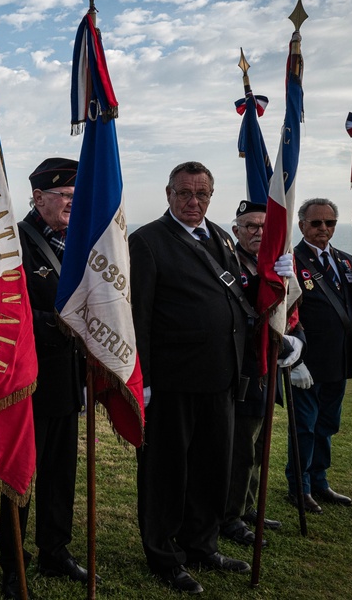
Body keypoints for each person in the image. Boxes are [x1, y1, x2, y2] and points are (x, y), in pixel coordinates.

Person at [129, 162, 253, 594]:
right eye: (184, 193)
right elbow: (138, 315)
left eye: (201, 194)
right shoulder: (146, 242)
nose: (193, 202)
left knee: (210, 467)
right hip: (170, 381)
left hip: (220, 376)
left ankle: (202, 544)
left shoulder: (219, 235)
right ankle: (164, 554)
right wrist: (140, 378)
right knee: (166, 473)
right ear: (167, 194)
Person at [0, 158, 89, 598]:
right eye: (65, 197)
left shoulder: (83, 241)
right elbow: (1, 308)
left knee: (61, 473)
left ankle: (56, 549)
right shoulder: (13, 241)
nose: (74, 204)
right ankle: (14, 563)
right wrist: (53, 322)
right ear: (38, 198)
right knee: (21, 476)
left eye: (77, 197)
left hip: (68, 377)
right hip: (27, 380)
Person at [288, 198, 352, 512]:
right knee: (304, 426)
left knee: (327, 424)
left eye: (329, 223)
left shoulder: (345, 262)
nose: (323, 229)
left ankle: (319, 482)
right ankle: (298, 488)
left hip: (339, 360)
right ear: (302, 225)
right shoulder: (291, 261)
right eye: (316, 223)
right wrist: (294, 358)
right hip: (306, 362)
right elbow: (286, 312)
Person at [221, 200, 304, 547]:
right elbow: (240, 311)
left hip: (267, 368)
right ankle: (230, 517)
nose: (257, 231)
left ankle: (248, 506)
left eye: (264, 227)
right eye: (250, 226)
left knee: (258, 445)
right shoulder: (228, 262)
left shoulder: (274, 262)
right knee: (240, 449)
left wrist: (294, 343)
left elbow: (292, 311)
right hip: (241, 369)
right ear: (236, 230)